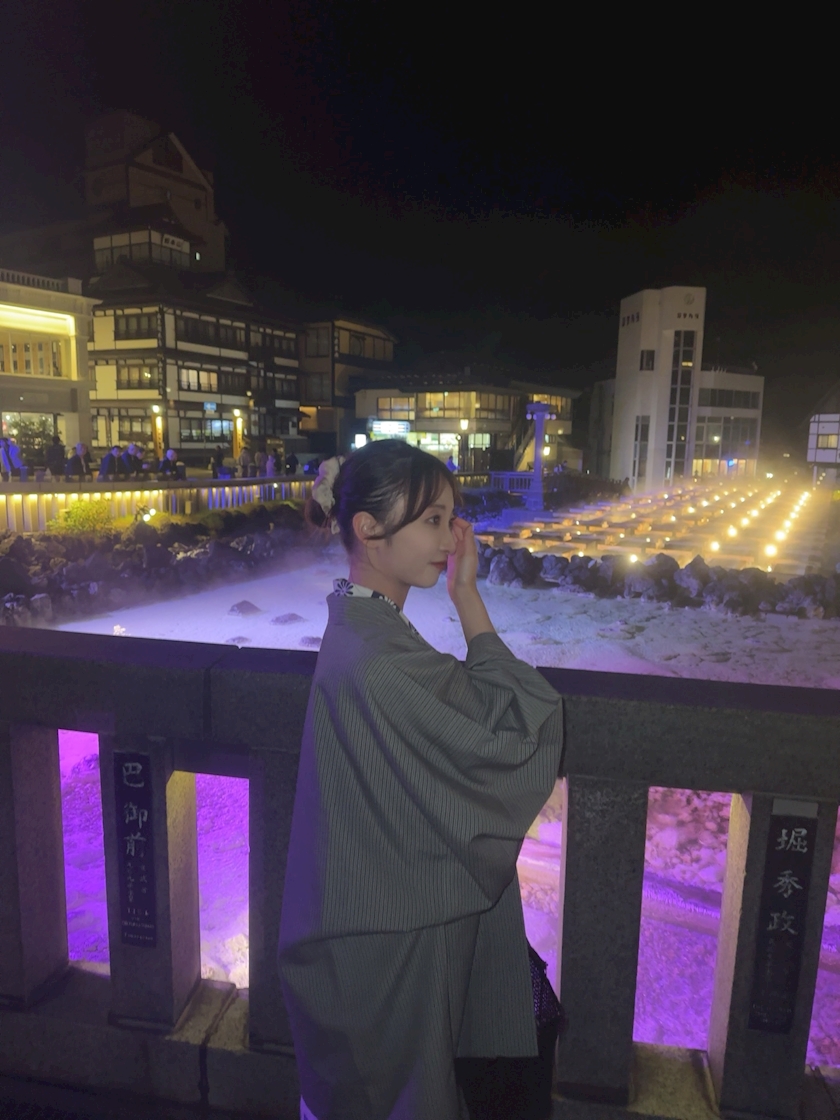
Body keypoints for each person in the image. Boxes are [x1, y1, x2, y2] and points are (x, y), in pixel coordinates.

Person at [279, 440, 564, 1120]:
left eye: (452, 517)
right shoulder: (383, 659)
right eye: (433, 519)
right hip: (388, 947)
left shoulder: (359, 627)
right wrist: (468, 597)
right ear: (368, 529)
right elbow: (521, 724)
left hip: (360, 932)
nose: (451, 537)